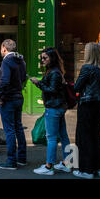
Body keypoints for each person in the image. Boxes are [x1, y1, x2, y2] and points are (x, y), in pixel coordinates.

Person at [30, 47, 71, 176]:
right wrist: (39, 83)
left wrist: (38, 83)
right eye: (41, 58)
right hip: (58, 107)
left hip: (54, 108)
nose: (42, 60)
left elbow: (52, 90)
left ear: (52, 58)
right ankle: (67, 163)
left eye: (45, 58)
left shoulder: (54, 73)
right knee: (63, 135)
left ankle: (49, 166)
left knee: (51, 138)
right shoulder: (53, 71)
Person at [73, 42, 100, 179]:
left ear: (89, 54)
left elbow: (77, 87)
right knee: (95, 136)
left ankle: (87, 170)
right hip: (99, 104)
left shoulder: (87, 68)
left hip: (87, 104)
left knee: (85, 137)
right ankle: (98, 168)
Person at [0, 39, 27, 170]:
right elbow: (23, 77)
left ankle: (11, 161)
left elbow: (5, 80)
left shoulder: (6, 61)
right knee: (18, 127)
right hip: (19, 97)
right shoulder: (21, 60)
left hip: (8, 99)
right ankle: (22, 158)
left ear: (4, 48)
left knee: (9, 130)